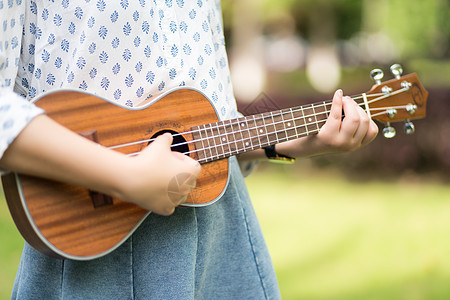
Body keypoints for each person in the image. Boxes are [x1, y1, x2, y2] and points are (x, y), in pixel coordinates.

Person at [0, 1, 378, 299]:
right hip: (95, 240)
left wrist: (288, 143)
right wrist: (124, 177)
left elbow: (203, 127)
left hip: (222, 237)